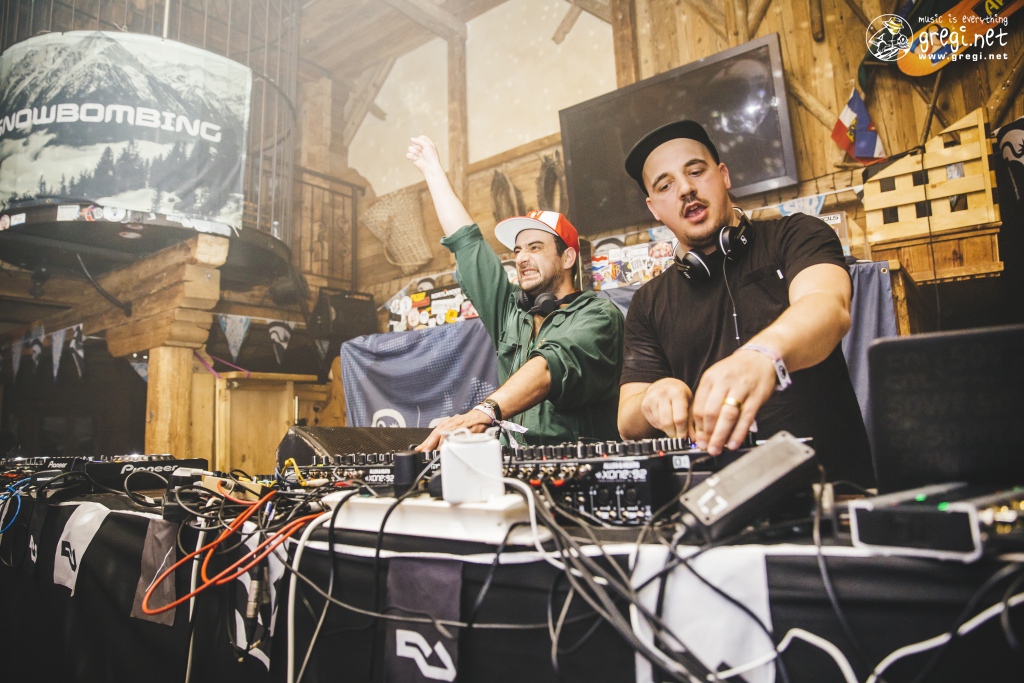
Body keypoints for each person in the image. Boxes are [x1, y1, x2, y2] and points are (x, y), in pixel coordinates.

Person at [616, 120, 874, 485]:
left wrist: (762, 355)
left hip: (829, 489)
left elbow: (828, 306)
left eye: (696, 171)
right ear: (654, 208)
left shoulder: (797, 235)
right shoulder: (648, 301)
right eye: (665, 185)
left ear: (724, 176)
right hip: (715, 500)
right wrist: (651, 398)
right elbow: (627, 423)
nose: (686, 189)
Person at [407, 135, 624, 452]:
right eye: (518, 250)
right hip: (514, 463)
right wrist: (432, 171)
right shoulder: (511, 311)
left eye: (535, 248)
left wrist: (485, 411)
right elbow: (468, 244)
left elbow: (550, 366)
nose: (521, 258)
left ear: (567, 258)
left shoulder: (598, 316)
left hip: (576, 463)